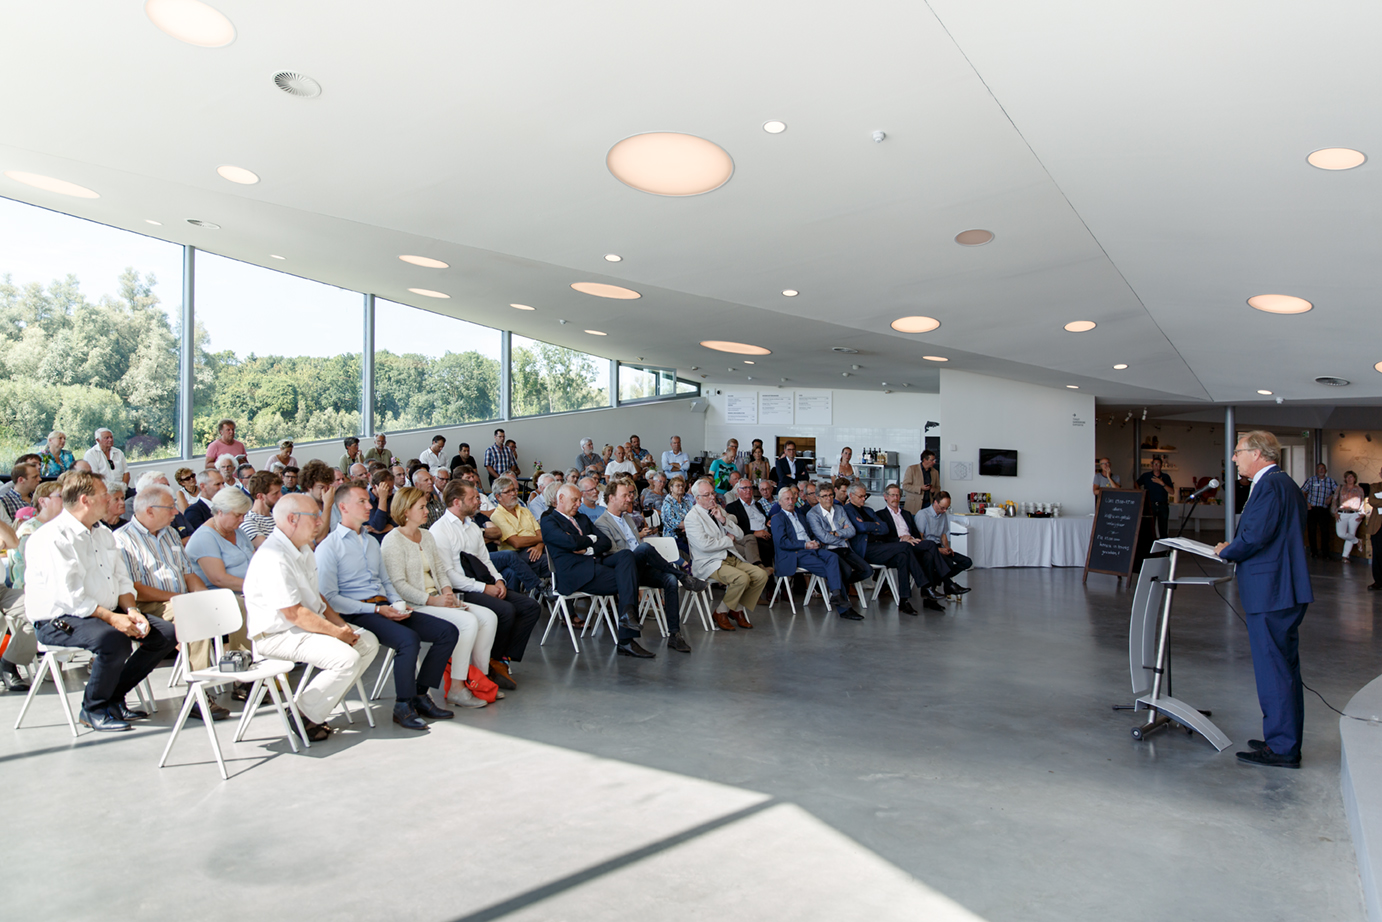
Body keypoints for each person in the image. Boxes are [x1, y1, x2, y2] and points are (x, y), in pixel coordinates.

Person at [26, 471, 177, 731]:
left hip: (102, 611)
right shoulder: (53, 537)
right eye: (105, 494)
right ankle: (93, 709)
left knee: (164, 633)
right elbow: (69, 595)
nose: (110, 499)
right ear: (86, 500)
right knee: (112, 639)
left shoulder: (102, 532)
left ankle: (113, 697)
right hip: (59, 618)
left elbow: (121, 578)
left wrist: (131, 610)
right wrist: (113, 618)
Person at [316, 484, 459, 730]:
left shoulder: (371, 542)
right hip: (357, 612)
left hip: (384, 607)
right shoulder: (329, 547)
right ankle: (402, 705)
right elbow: (329, 598)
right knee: (408, 640)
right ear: (343, 507)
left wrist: (397, 604)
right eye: (362, 501)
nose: (370, 505)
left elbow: (385, 581)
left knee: (447, 632)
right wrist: (376, 610)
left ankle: (419, 695)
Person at [243, 494, 380, 742]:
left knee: (367, 642)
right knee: (347, 658)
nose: (320, 522)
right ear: (292, 519)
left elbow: (316, 598)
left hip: (301, 628)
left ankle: (311, 711)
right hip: (277, 635)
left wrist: (341, 625)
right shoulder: (273, 556)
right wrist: (338, 633)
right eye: (314, 516)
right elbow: (294, 613)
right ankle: (301, 713)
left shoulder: (302, 547)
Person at [1213, 430, 1312, 769]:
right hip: (1283, 588)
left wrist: (1229, 550)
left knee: (1273, 671)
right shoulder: (1286, 484)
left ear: (1257, 453)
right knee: (1283, 668)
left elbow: (1255, 536)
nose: (1234, 458)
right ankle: (1282, 737)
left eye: (1238, 451)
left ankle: (1283, 747)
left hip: (1272, 591)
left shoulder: (1269, 486)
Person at [380, 488, 490, 709]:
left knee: (488, 617)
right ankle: (457, 688)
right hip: (416, 604)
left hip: (437, 598)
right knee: (468, 623)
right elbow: (398, 585)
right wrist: (433, 601)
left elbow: (439, 571)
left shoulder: (426, 535)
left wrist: (447, 592)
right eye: (421, 507)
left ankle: (480, 680)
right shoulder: (392, 541)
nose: (427, 511)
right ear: (406, 511)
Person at [429, 480, 542, 688]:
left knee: (530, 607)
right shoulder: (440, 531)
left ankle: (499, 659)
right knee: (505, 610)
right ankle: (491, 662)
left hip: (482, 583)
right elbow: (448, 575)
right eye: (472, 498)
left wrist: (498, 580)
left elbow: (486, 560)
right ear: (456, 502)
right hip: (459, 590)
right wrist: (484, 588)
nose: (478, 501)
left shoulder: (472, 528)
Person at [595, 479, 705, 653]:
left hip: (640, 567)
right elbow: (614, 554)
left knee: (668, 579)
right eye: (624, 495)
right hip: (623, 571)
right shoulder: (601, 523)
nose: (629, 499)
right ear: (611, 498)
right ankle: (683, 577)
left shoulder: (629, 520)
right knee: (645, 547)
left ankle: (674, 635)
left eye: (629, 495)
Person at [542, 483, 651, 657]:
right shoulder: (549, 520)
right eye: (575, 500)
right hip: (574, 574)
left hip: (593, 566)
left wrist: (587, 547)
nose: (579, 503)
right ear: (560, 499)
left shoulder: (582, 518)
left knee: (625, 555)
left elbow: (605, 542)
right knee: (629, 579)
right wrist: (590, 538)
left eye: (579, 500)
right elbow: (570, 543)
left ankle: (628, 617)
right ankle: (626, 638)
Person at [684, 478, 769, 630]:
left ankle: (735, 609)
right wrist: (728, 540)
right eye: (707, 495)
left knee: (761, 575)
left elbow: (740, 534)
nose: (712, 497)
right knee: (741, 578)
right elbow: (705, 546)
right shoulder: (692, 517)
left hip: (729, 557)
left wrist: (723, 519)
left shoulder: (718, 509)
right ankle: (721, 612)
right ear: (697, 498)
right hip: (709, 561)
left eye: (713, 493)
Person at [843, 483, 941, 614]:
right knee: (905, 546)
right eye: (860, 496)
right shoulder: (848, 509)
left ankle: (904, 601)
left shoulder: (868, 510)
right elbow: (861, 528)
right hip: (866, 550)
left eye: (864, 496)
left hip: (880, 546)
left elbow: (885, 528)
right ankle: (925, 586)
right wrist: (874, 526)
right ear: (851, 496)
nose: (863, 499)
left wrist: (870, 526)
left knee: (903, 557)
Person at [771, 487, 861, 620]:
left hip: (812, 549)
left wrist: (817, 542)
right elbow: (782, 542)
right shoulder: (777, 518)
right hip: (794, 554)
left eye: (792, 498)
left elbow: (812, 534)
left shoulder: (801, 516)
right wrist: (805, 545)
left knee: (832, 557)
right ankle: (844, 608)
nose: (790, 501)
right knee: (832, 569)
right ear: (780, 502)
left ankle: (836, 594)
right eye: (787, 499)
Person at [489, 476, 552, 582]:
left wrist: (539, 546)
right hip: (517, 554)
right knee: (557, 561)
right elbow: (516, 542)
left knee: (563, 553)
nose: (513, 494)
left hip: (537, 549)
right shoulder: (497, 515)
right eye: (508, 491)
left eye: (514, 489)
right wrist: (541, 539)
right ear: (498, 497)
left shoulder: (524, 510)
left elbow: (540, 534)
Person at [807, 485, 869, 587]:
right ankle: (839, 589)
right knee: (847, 571)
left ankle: (835, 583)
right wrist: (843, 536)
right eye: (825, 496)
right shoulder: (813, 514)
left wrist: (836, 533)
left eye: (831, 495)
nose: (828, 498)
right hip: (829, 551)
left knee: (867, 570)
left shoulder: (839, 509)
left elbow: (852, 531)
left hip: (845, 548)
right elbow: (824, 538)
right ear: (818, 498)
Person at [915, 492, 973, 595]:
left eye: (947, 508)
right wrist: (938, 550)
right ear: (935, 503)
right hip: (927, 549)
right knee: (947, 563)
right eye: (942, 508)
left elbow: (943, 535)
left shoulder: (943, 514)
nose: (944, 510)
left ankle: (939, 578)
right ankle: (948, 584)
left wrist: (946, 547)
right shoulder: (922, 515)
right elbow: (919, 539)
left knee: (967, 562)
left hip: (939, 547)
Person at [726, 478, 772, 567]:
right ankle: (765, 576)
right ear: (738, 491)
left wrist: (768, 522)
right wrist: (755, 533)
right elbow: (736, 528)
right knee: (764, 547)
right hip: (751, 539)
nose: (749, 490)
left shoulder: (758, 505)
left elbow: (764, 519)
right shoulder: (732, 507)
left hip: (768, 535)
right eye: (745, 488)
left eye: (750, 488)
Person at [1300, 462, 1339, 559]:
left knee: (1325, 531)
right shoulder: (1311, 480)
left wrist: (1331, 496)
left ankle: (1325, 553)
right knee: (1312, 530)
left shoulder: (1330, 481)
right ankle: (1314, 552)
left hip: (1323, 509)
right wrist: (1306, 503)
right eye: (1319, 468)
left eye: (1323, 468)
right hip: (1312, 508)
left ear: (1326, 471)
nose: (1321, 470)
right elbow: (1302, 491)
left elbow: (1338, 491)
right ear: (1316, 470)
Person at [239, 470, 282, 549]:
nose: (280, 496)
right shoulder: (248, 521)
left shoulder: (277, 517)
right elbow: (269, 549)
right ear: (260, 497)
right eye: (275, 493)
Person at [1136, 457, 1174, 540]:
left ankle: (1163, 551)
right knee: (1149, 529)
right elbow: (1136, 483)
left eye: (1158, 464)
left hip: (1162, 505)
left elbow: (1171, 491)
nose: (1156, 466)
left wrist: (1162, 483)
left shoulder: (1166, 477)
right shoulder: (1146, 476)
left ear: (1161, 466)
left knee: (1163, 529)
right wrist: (1141, 493)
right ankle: (1149, 549)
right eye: (1155, 464)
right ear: (1152, 465)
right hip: (1150, 505)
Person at [1331, 471, 1365, 561]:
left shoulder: (1359, 489)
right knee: (1341, 533)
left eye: (1351, 477)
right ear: (1345, 479)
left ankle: (1345, 556)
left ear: (1355, 478)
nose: (1349, 479)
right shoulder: (1340, 488)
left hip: (1355, 514)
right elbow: (1335, 500)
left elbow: (1362, 501)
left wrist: (1362, 513)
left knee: (1351, 533)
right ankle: (1357, 541)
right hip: (1342, 513)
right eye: (1348, 477)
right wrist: (1335, 512)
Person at [901, 450, 939, 514]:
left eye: (934, 460)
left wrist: (934, 490)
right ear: (924, 460)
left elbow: (938, 487)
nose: (934, 462)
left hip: (928, 504)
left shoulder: (935, 472)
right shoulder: (912, 469)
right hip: (914, 505)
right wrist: (920, 488)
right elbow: (905, 486)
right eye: (931, 460)